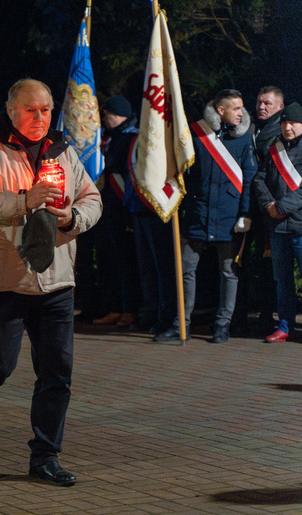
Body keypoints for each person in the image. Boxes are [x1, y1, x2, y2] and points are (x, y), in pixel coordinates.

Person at [0, 79, 101, 486]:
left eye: (46, 110)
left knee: (57, 372)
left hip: (56, 280)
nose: (40, 118)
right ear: (11, 111)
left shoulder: (63, 150)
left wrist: (74, 218)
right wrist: (23, 201)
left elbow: (93, 198)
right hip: (4, 278)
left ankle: (45, 456)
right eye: (31, 110)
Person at [154, 89, 257, 343]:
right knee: (186, 270)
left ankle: (223, 325)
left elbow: (249, 178)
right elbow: (183, 171)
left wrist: (245, 213)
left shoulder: (245, 139)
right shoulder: (197, 133)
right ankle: (181, 325)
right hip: (198, 214)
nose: (241, 112)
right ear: (220, 110)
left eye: (241, 107)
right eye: (235, 108)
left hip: (229, 217)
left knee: (228, 272)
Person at [252, 102, 302, 342]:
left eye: (293, 122)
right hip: (277, 228)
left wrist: (281, 207)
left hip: (300, 225)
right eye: (284, 122)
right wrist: (268, 206)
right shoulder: (275, 147)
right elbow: (260, 179)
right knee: (282, 281)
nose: (288, 127)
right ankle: (284, 325)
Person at [91, 95, 140, 328]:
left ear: (120, 115)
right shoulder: (106, 138)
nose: (105, 118)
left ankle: (129, 308)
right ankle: (112, 306)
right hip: (105, 206)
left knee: (125, 260)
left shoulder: (131, 138)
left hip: (123, 206)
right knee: (107, 258)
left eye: (108, 114)